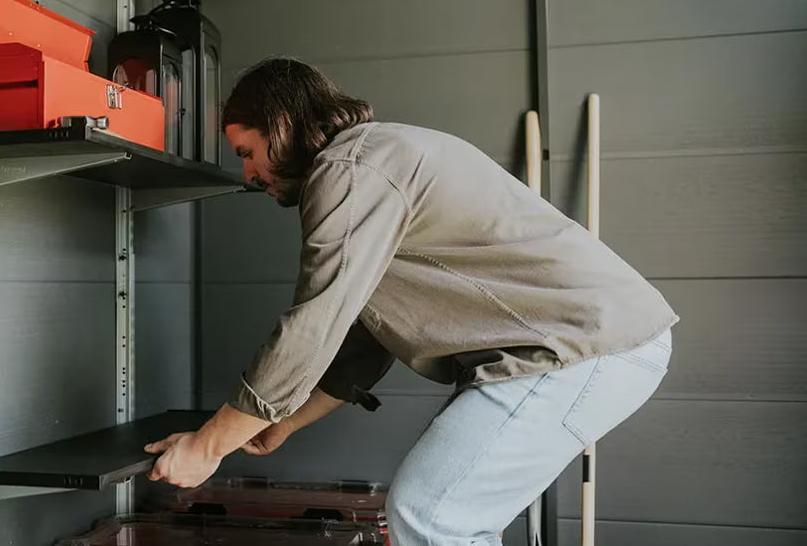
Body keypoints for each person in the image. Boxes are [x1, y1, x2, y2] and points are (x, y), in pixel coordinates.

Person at [144, 57, 677, 545]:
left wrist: (207, 446)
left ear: (281, 126)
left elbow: (312, 327)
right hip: (585, 346)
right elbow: (361, 340)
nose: (248, 174)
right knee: (441, 517)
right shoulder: (375, 159)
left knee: (431, 517)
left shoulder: (350, 169)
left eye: (247, 153)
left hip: (579, 347)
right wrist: (280, 422)